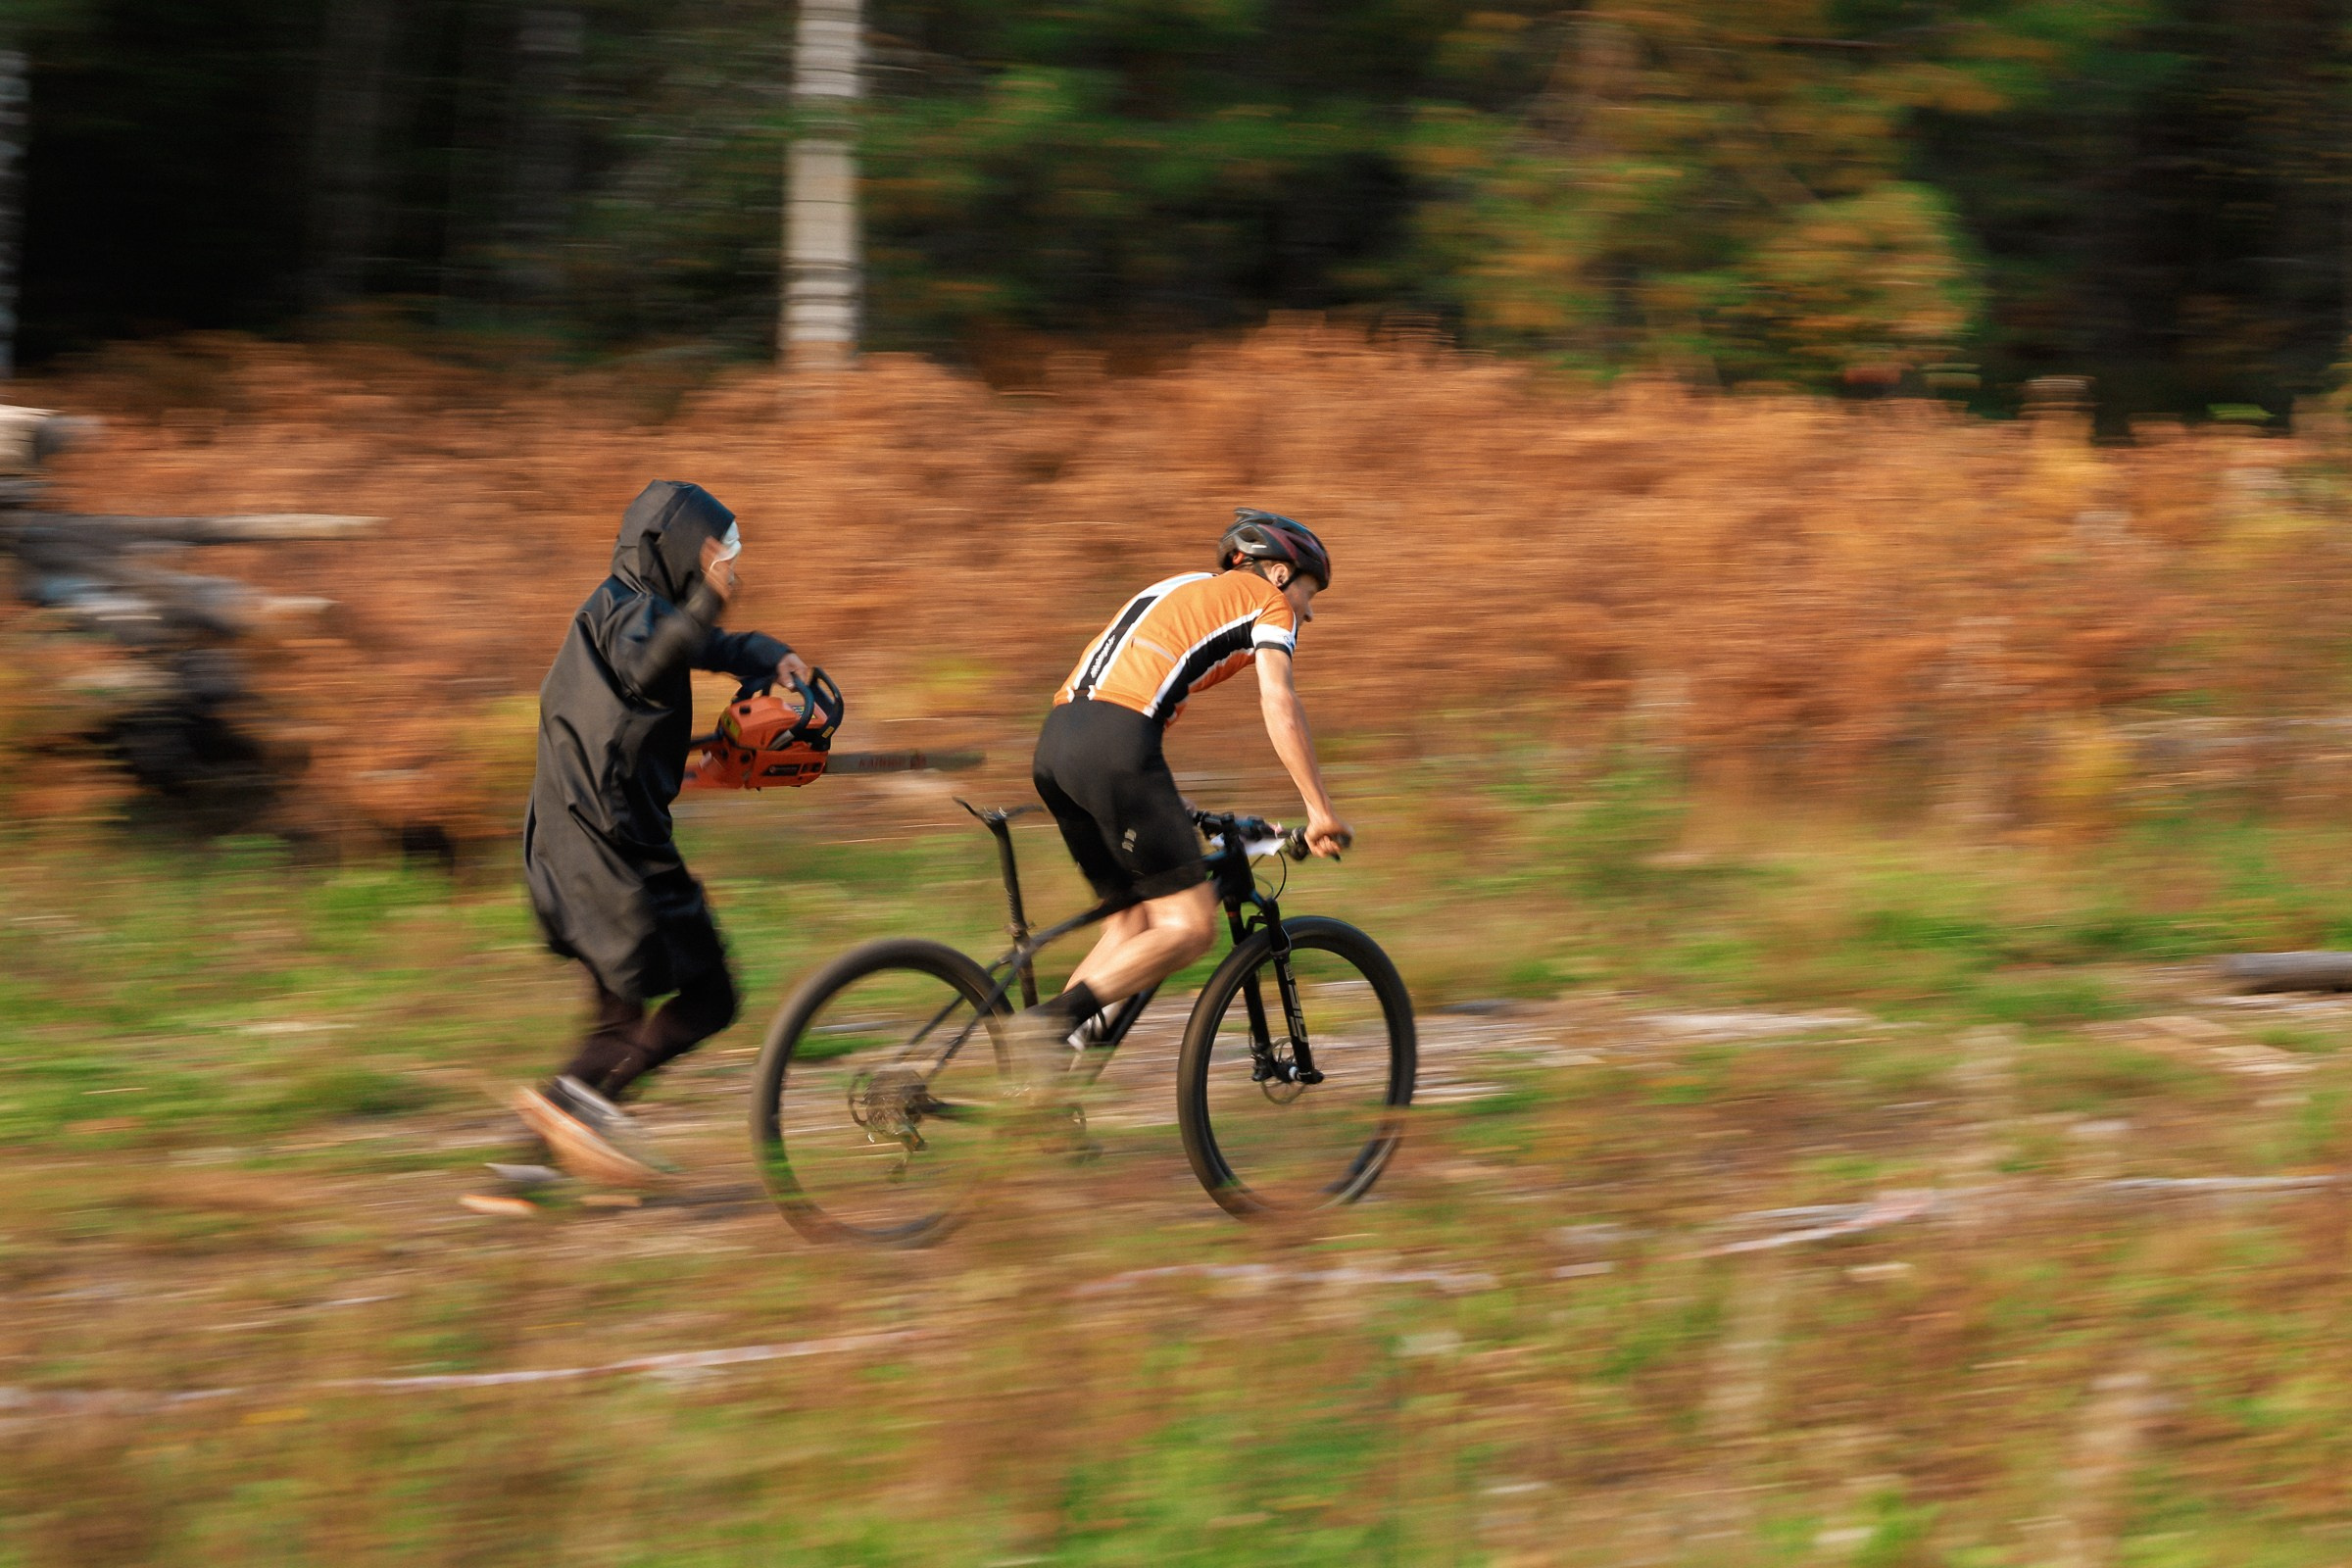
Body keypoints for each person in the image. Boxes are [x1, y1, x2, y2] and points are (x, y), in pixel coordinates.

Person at [513, 480, 810, 1184]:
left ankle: (528, 1175)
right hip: (616, 853)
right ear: (680, 552)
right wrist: (712, 597)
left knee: (616, 1025)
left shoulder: (617, 606)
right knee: (710, 998)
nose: (731, 569)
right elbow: (658, 660)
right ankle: (579, 1110)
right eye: (718, 555)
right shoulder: (632, 624)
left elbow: (698, 647)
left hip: (573, 842)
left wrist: (769, 654)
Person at [1016, 508, 1351, 1073]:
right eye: (1309, 592)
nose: (1309, 612)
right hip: (1117, 747)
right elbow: (1279, 702)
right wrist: (1319, 811)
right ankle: (1046, 1025)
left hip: (1058, 747)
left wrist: (1175, 809)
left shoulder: (1177, 590)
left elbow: (1128, 706)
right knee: (1190, 928)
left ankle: (1042, 1094)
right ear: (1277, 575)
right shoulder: (1267, 604)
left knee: (1132, 924)